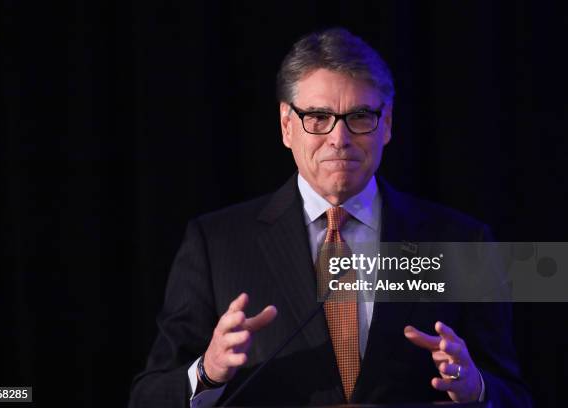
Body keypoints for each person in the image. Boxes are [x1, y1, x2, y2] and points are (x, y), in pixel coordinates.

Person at [128, 28, 531, 407]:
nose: (339, 138)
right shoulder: (216, 244)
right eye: (317, 118)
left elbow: (515, 393)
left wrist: (476, 388)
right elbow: (148, 396)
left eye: (359, 116)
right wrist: (209, 372)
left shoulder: (462, 242)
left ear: (386, 124)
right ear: (287, 126)